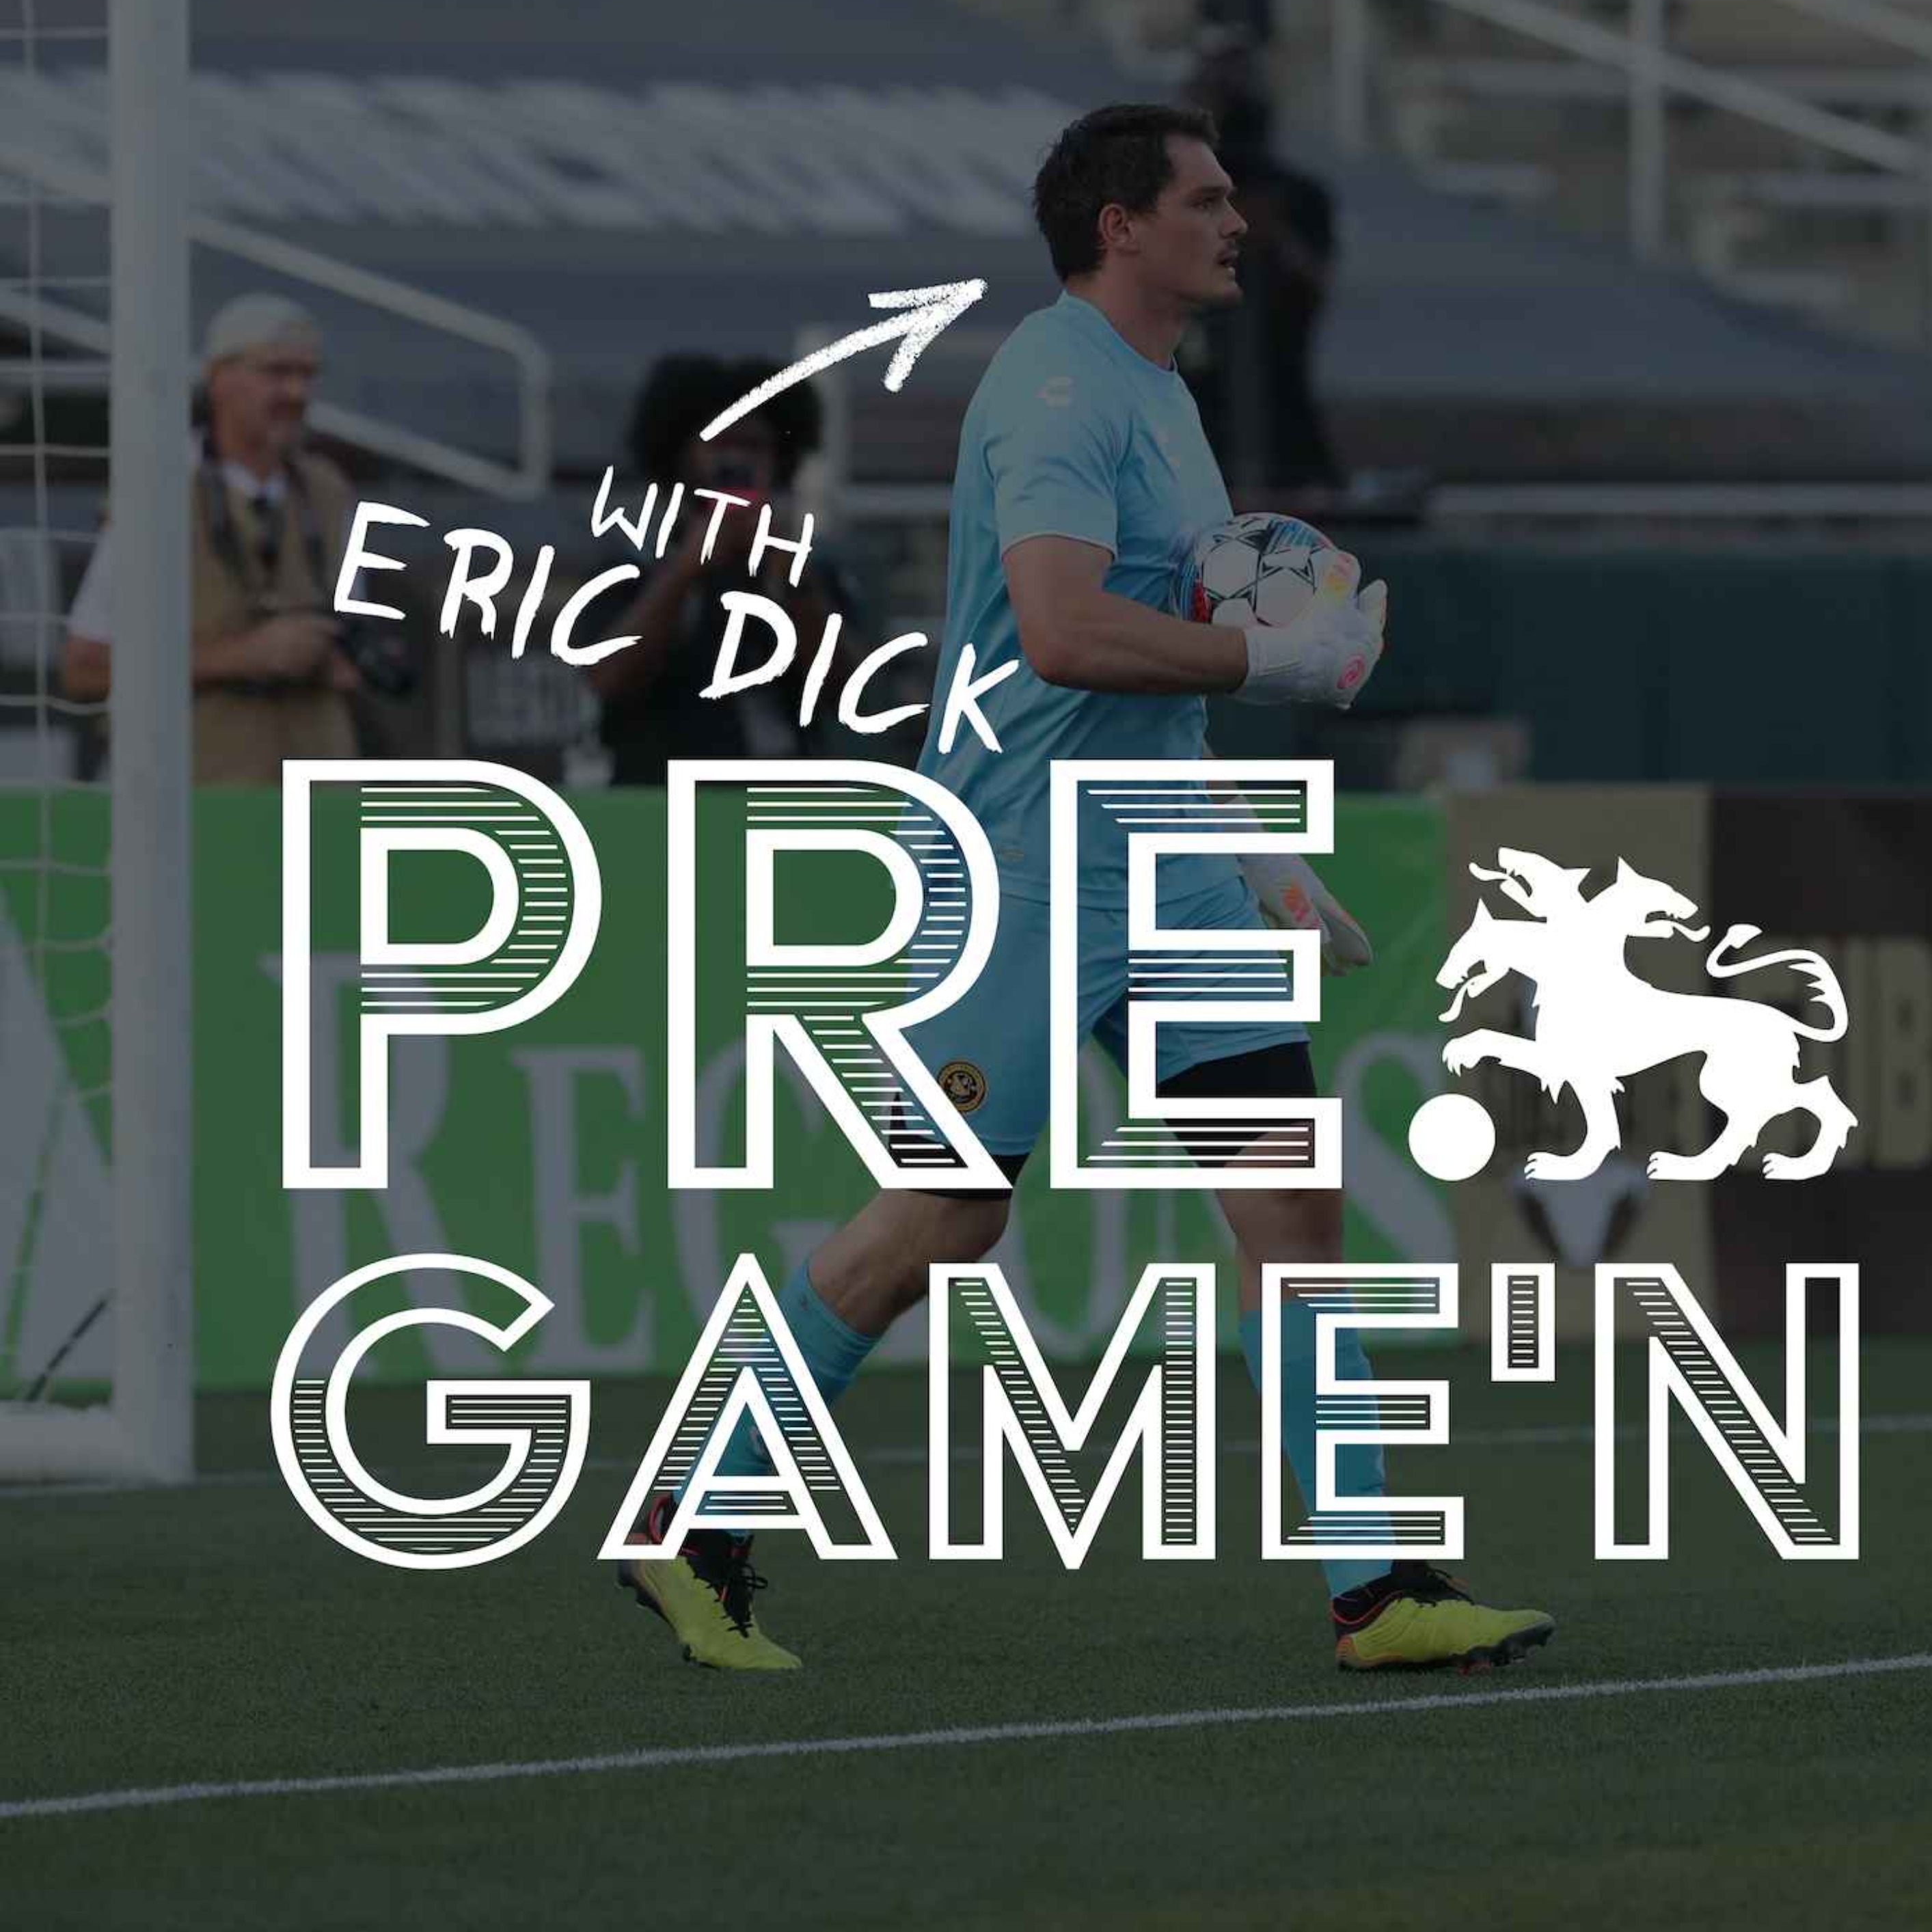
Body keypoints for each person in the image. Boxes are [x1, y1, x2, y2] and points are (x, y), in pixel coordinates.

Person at [621, 103, 1555, 1675]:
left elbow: (1148, 673)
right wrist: (1270, 659)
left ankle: (1377, 1586)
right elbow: (1058, 633)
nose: (1237, 221)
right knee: (948, 1214)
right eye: (1205, 199)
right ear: (1118, 227)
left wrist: (1244, 841)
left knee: (1292, 1203)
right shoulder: (1055, 386)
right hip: (1024, 865)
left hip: (1160, 854)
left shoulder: (1160, 394)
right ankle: (686, 1516)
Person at [62, 294, 366, 783]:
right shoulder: (156, 491)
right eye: (276, 372)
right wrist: (244, 657)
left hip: (319, 789)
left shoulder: (330, 492)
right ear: (220, 378)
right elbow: (85, 668)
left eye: (308, 375)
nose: (297, 392)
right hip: (195, 794)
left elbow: (353, 640)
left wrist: (334, 659)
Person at [583, 355, 861, 780]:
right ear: (681, 455)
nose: (737, 462)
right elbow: (605, 681)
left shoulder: (807, 566)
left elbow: (848, 689)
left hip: (781, 794)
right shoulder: (634, 562)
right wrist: (683, 574)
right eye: (720, 444)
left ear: (781, 459)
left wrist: (791, 580)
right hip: (663, 795)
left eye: (753, 447)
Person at [1181, 33, 1344, 502]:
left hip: (1278, 402)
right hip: (1195, 392)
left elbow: (1316, 284)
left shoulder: (1298, 197)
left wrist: (1274, 240)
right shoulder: (1168, 196)